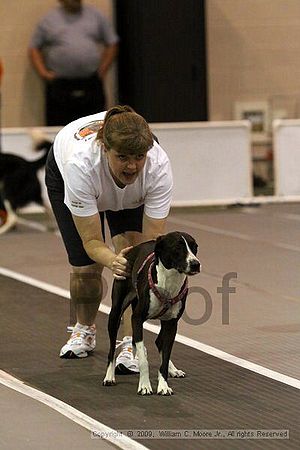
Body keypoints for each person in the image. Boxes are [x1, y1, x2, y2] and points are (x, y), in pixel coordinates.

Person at [45, 105, 173, 373]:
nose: (132, 165)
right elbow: (92, 242)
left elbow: (149, 248)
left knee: (134, 260)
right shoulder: (79, 166)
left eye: (139, 156)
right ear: (105, 148)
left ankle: (130, 341)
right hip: (66, 171)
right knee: (86, 268)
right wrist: (114, 261)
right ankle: (84, 329)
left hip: (130, 194)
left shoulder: (158, 168)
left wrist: (132, 263)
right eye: (123, 157)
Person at [28, 0, 119, 126]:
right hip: (60, 85)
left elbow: (112, 43)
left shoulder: (96, 16)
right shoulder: (49, 20)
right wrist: (44, 73)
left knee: (95, 126)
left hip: (90, 83)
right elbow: (34, 48)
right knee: (59, 126)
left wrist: (102, 70)